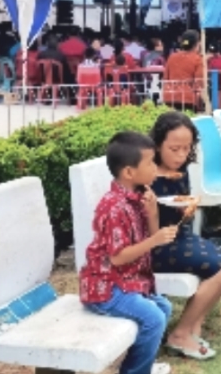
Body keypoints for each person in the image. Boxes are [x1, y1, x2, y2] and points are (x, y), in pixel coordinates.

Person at [79, 131, 177, 374]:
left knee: (163, 307)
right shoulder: (114, 207)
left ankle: (142, 364)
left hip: (127, 281)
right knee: (154, 318)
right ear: (129, 172)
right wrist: (154, 239)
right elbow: (118, 256)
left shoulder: (138, 197)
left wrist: (152, 214)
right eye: (151, 162)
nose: (156, 167)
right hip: (105, 288)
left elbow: (149, 238)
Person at [149, 112, 221, 359]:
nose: (180, 155)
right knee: (220, 268)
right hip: (154, 245)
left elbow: (181, 213)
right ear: (158, 144)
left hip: (178, 237)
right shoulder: (146, 175)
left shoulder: (182, 169)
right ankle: (179, 335)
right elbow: (146, 228)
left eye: (186, 149)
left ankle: (193, 323)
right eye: (174, 148)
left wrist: (187, 210)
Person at [163, 30, 203, 110]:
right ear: (196, 44)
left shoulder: (172, 57)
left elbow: (165, 78)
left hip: (170, 96)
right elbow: (199, 83)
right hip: (188, 98)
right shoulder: (197, 59)